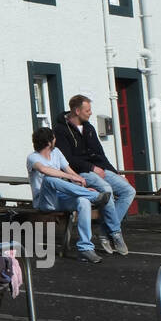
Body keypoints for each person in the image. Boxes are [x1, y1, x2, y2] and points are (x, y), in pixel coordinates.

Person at [53, 95, 134, 255]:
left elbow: (100, 154)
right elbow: (67, 160)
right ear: (77, 111)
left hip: (98, 169)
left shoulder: (88, 127)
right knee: (106, 190)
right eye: (87, 110)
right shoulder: (60, 130)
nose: (90, 113)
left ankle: (104, 231)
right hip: (80, 172)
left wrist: (114, 172)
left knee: (128, 190)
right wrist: (91, 167)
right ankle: (116, 233)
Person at [27, 127, 119, 263]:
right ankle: (93, 197)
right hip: (44, 201)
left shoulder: (57, 152)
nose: (55, 140)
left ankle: (85, 249)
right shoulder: (32, 157)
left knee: (83, 201)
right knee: (49, 179)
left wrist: (82, 184)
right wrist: (73, 178)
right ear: (48, 142)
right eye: (53, 138)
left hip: (61, 198)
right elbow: (44, 170)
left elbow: (69, 171)